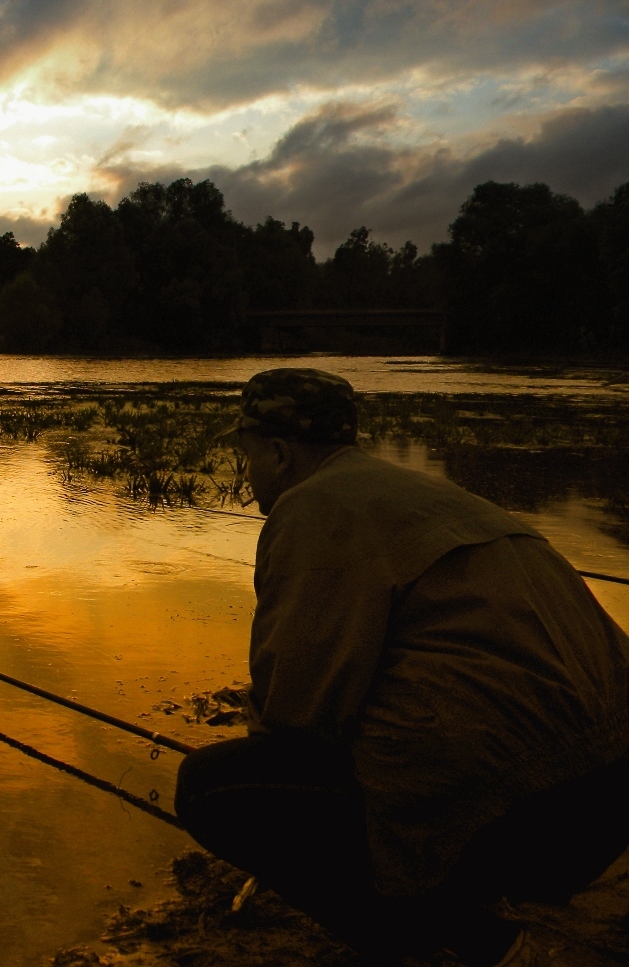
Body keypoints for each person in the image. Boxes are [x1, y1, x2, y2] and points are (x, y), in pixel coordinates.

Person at [173, 368, 629, 967]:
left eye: (248, 455)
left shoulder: (312, 506)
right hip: (610, 802)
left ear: (279, 452)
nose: (249, 475)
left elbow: (297, 717)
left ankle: (466, 946)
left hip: (527, 819)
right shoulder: (424, 496)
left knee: (213, 788)